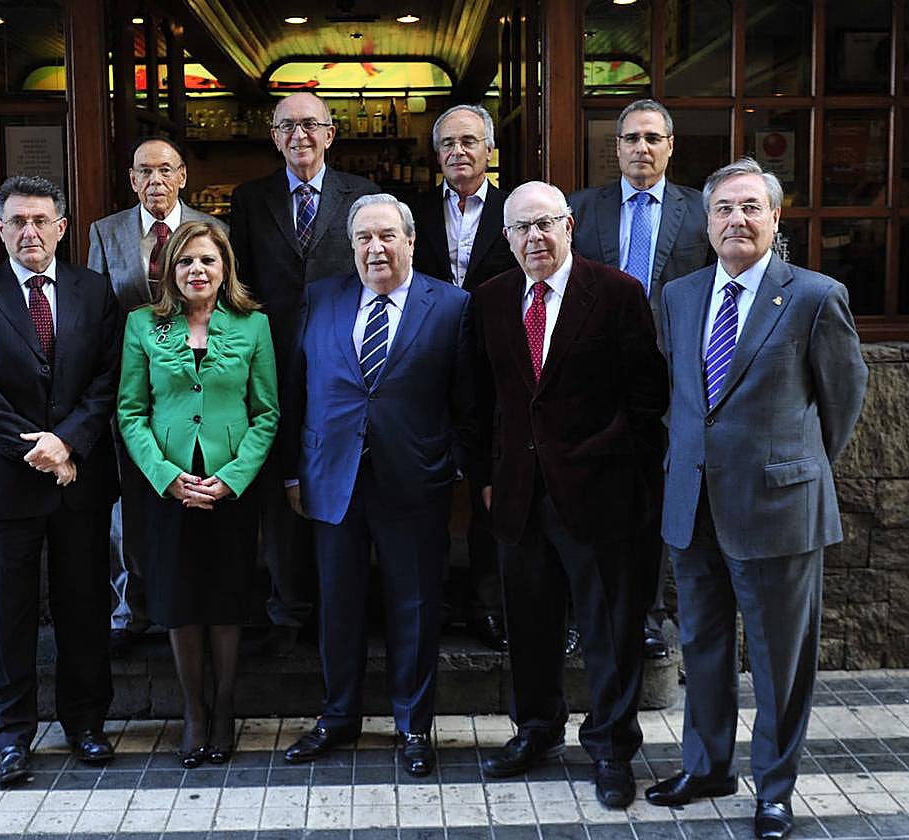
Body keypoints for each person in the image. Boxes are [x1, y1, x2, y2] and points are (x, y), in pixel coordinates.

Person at [646, 159, 867, 840]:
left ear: (775, 218)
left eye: (750, 208)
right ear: (707, 222)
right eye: (723, 210)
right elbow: (681, 395)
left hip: (778, 507)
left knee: (779, 660)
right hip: (695, 504)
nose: (736, 220)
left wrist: (793, 469)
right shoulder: (678, 297)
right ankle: (708, 766)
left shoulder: (814, 296)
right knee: (704, 646)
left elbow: (842, 399)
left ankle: (774, 789)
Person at [473, 182, 667, 809]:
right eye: (521, 228)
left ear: (569, 226)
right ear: (506, 238)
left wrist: (626, 473)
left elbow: (646, 399)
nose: (534, 238)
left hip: (599, 494)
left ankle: (611, 747)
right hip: (519, 495)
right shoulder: (490, 300)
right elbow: (476, 403)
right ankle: (536, 730)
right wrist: (483, 477)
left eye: (546, 224)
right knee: (528, 624)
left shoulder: (615, 293)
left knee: (610, 627)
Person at [279, 194, 473, 778]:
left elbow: (466, 398)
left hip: (414, 478)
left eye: (387, 236)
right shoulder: (321, 298)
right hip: (331, 476)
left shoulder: (452, 304)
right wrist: (293, 469)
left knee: (414, 604)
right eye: (363, 237)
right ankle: (338, 716)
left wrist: (455, 466)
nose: (375, 248)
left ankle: (414, 724)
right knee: (337, 603)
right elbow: (296, 390)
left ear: (410, 241)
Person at [0, 175, 119, 786]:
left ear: (62, 227)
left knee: (84, 608)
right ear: (0, 229)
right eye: (18, 221)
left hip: (80, 481)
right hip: (8, 483)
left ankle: (86, 725)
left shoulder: (94, 292)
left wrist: (68, 441)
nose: (30, 232)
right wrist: (42, 449)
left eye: (41, 220)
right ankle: (10, 737)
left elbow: (108, 380)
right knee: (9, 615)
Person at [116, 220, 278, 768]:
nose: (197, 271)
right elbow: (131, 412)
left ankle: (226, 705)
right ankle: (193, 710)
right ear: (168, 271)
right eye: (185, 261)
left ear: (224, 267)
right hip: (170, 488)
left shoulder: (253, 326)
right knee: (182, 602)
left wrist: (233, 477)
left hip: (230, 487)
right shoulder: (143, 326)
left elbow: (267, 412)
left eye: (207, 260)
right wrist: (165, 476)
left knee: (227, 599)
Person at [230, 91, 378, 656]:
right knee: (280, 480)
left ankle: (343, 603)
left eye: (311, 125)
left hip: (344, 360)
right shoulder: (250, 199)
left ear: (330, 133)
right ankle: (289, 605)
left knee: (342, 477)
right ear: (273, 136)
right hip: (268, 358)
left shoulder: (362, 196)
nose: (300, 136)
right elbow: (236, 283)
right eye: (288, 126)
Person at [566, 99, 712, 660]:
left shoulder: (701, 212)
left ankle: (648, 616)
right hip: (594, 376)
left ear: (670, 146)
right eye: (631, 138)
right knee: (586, 495)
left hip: (672, 378)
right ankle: (583, 614)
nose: (641, 148)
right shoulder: (582, 208)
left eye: (653, 138)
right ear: (617, 147)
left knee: (654, 497)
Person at [88, 135, 224, 658]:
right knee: (129, 500)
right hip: (132, 387)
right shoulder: (107, 233)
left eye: (165, 170)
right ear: (131, 179)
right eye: (144, 171)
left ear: (183, 176)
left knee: (198, 494)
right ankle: (131, 607)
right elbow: (97, 315)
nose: (155, 181)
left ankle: (193, 599)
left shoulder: (215, 230)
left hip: (200, 389)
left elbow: (229, 306)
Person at [407, 103, 515, 653]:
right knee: (426, 480)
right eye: (448, 144)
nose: (458, 152)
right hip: (427, 363)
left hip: (497, 366)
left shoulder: (513, 211)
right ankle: (432, 597)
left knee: (487, 484)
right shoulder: (412, 212)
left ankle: (488, 601)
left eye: (469, 141)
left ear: (489, 150)